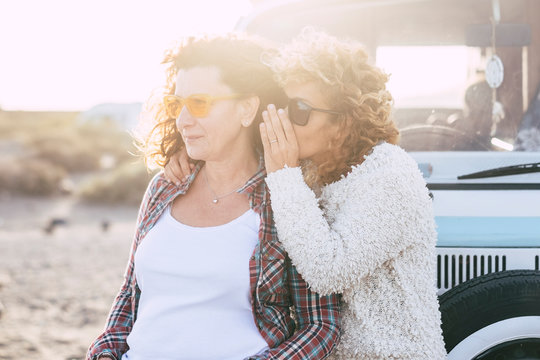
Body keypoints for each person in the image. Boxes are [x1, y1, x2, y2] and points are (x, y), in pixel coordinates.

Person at [165, 29, 446, 359]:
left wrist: (284, 173)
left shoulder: (389, 175)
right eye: (281, 105)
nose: (282, 119)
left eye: (298, 110)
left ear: (344, 121)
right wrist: (189, 158)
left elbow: (328, 272)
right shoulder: (311, 170)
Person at [86, 34, 341, 360]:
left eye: (200, 103)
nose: (182, 120)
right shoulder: (164, 187)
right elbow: (130, 293)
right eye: (177, 105)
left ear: (247, 108)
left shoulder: (285, 199)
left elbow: (322, 324)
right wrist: (105, 351)